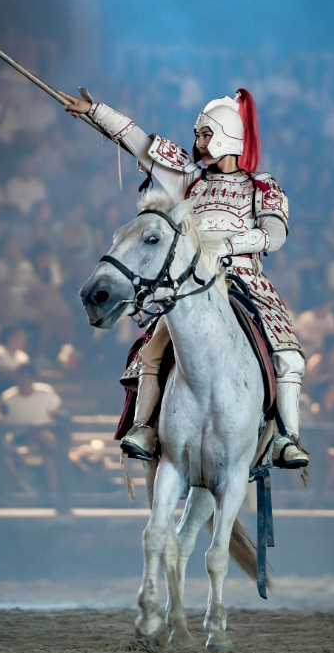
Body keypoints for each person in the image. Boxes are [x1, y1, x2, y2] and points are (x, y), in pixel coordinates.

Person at [60, 88, 308, 468]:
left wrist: (226, 246)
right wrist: (94, 110)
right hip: (190, 285)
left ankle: (287, 439)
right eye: (198, 135)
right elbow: (141, 144)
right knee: (150, 350)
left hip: (244, 281)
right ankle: (144, 427)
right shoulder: (190, 180)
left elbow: (274, 234)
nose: (199, 143)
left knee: (288, 354)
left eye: (206, 135)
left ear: (227, 135)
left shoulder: (261, 186)